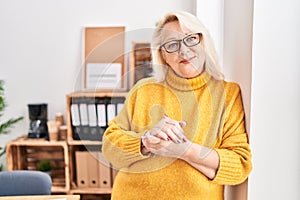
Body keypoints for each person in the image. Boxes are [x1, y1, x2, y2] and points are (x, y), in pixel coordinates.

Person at [102, 11, 252, 200]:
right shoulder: (143, 89)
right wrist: (146, 142)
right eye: (172, 45)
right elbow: (110, 146)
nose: (183, 50)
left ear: (203, 42)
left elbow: (239, 165)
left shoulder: (227, 94)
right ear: (163, 55)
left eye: (190, 39)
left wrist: (184, 150)